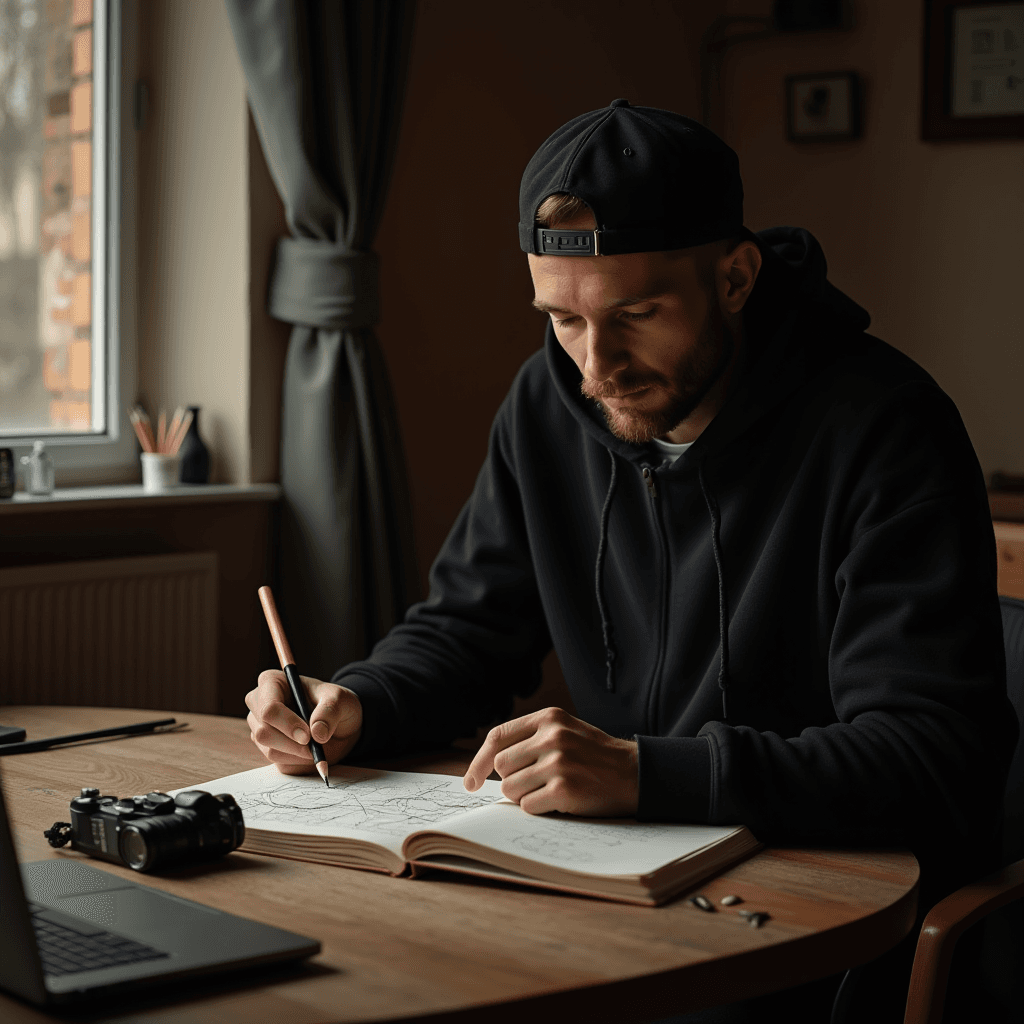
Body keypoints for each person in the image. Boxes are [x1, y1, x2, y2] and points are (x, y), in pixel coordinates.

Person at [246, 101, 1017, 1022]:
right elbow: (468, 626)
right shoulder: (546, 404)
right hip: (615, 887)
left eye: (636, 314)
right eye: (562, 320)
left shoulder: (884, 428)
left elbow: (933, 758)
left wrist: (649, 773)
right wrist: (362, 702)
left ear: (735, 276)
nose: (594, 367)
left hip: (825, 920)